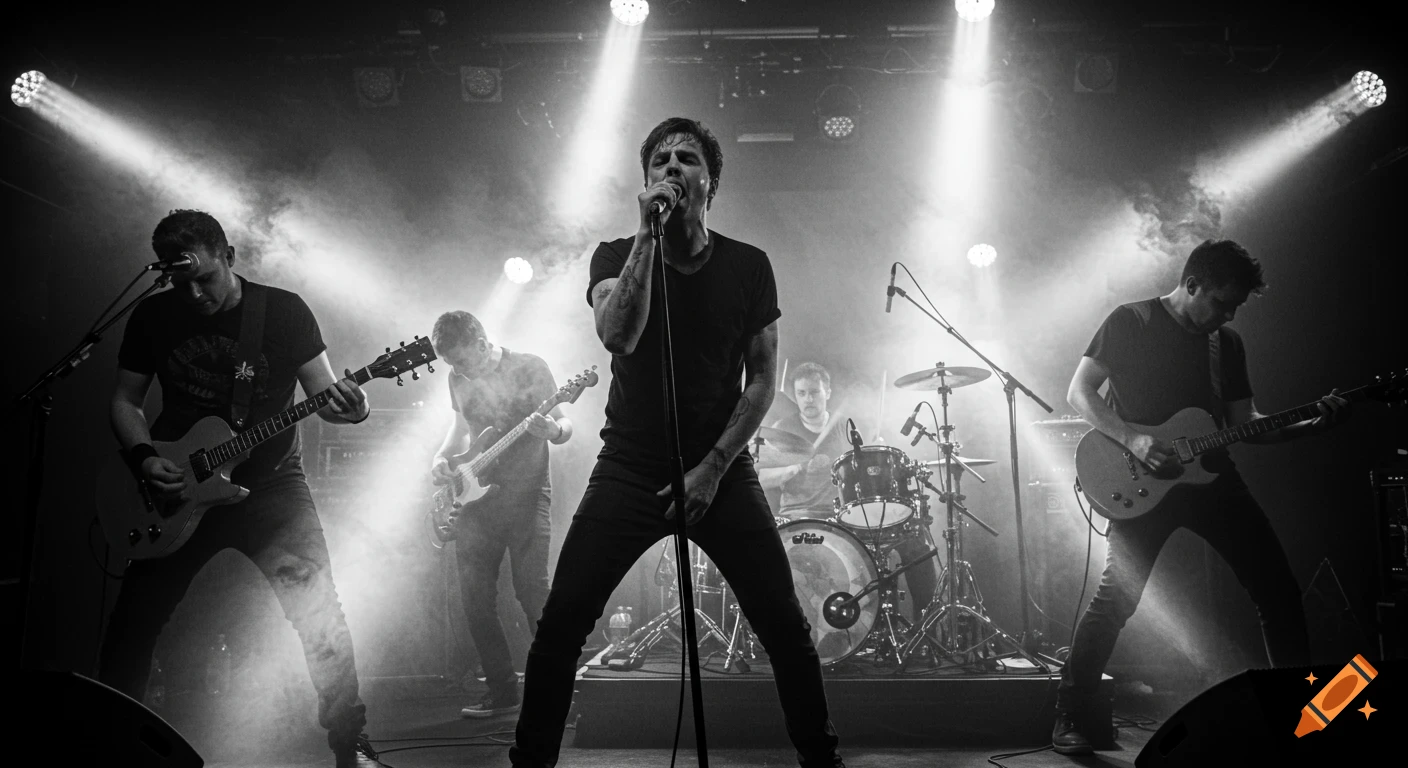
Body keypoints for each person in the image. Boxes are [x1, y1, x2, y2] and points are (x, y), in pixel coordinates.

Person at [509, 117, 844, 767]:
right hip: (629, 465)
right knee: (561, 625)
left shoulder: (748, 266)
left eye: (687, 158)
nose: (671, 167)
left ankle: (821, 758)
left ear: (710, 182)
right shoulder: (615, 255)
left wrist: (713, 468)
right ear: (645, 183)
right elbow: (618, 335)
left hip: (720, 468)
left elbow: (762, 381)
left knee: (784, 625)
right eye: (659, 160)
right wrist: (646, 236)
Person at [102, 210, 379, 767]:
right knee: (134, 621)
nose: (195, 294)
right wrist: (146, 457)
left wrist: (356, 406)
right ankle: (109, 744)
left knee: (318, 613)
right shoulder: (154, 316)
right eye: (181, 283)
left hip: (272, 487)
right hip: (179, 489)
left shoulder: (283, 311)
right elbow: (124, 401)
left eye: (205, 278)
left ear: (228, 256)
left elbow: (325, 394)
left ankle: (351, 745)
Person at [1052, 239, 1350, 755]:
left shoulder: (1226, 344)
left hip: (1213, 480)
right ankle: (1070, 714)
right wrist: (1134, 440)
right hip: (1142, 483)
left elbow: (1245, 423)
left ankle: (1298, 719)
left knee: (1278, 590)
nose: (1228, 315)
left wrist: (1309, 426)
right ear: (1192, 284)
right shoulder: (1131, 321)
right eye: (1221, 303)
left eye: (1235, 307)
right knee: (1116, 600)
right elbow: (1079, 392)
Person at [428, 311, 573, 719]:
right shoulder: (456, 378)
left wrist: (554, 432)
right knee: (475, 600)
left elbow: (564, 423)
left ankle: (557, 689)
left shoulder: (530, 367)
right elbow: (460, 429)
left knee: (533, 593)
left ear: (481, 344)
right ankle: (502, 690)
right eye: (451, 364)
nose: (458, 370)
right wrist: (440, 458)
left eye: (461, 360)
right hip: (477, 500)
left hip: (528, 494)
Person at [759, 362, 937, 623]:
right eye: (801, 393)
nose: (808, 399)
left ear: (827, 392)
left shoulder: (846, 428)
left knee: (915, 545)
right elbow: (760, 478)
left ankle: (921, 626)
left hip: (843, 518)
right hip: (798, 515)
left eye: (814, 392)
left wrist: (874, 456)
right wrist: (788, 470)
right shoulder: (782, 429)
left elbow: (866, 474)